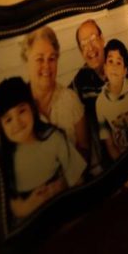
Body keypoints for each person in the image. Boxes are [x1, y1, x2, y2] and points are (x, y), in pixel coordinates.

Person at [0, 76, 86, 220]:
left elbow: (78, 179)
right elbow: (12, 205)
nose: (17, 123)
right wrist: (31, 205)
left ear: (32, 107)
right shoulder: (3, 158)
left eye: (22, 111)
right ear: (1, 125)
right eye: (8, 119)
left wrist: (61, 188)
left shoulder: (54, 138)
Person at [69, 18, 128, 174]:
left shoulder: (120, 59)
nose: (90, 48)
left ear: (102, 39)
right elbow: (63, 98)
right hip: (113, 162)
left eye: (93, 39)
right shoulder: (81, 81)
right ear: (80, 52)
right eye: (84, 44)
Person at [21, 26, 88, 161]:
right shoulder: (17, 106)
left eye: (52, 58)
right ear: (27, 61)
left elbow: (85, 148)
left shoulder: (70, 100)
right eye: (40, 59)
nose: (46, 66)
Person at [95, 39, 128, 161]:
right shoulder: (100, 103)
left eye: (118, 63)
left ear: (125, 71)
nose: (114, 67)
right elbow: (109, 144)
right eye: (110, 61)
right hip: (121, 158)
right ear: (105, 68)